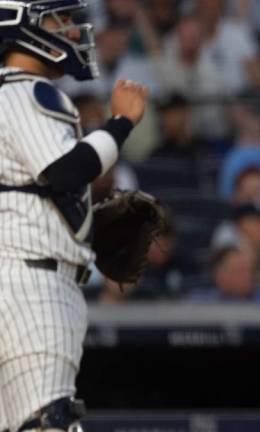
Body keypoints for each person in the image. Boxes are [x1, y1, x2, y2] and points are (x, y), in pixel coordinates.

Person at [0, 1, 147, 430]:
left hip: (18, 272)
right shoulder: (25, 90)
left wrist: (80, 229)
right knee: (47, 424)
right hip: (30, 285)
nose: (70, 30)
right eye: (56, 20)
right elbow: (65, 171)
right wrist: (121, 122)